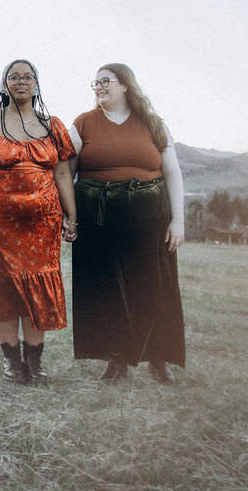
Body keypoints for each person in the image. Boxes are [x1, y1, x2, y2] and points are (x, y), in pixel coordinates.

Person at [0, 59, 78, 384]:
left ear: (37, 84)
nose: (21, 81)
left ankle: (34, 363)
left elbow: (63, 173)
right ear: (3, 84)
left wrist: (72, 216)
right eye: (14, 76)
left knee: (39, 287)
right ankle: (12, 361)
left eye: (28, 76)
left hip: (42, 225)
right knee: (4, 289)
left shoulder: (54, 126)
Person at [67, 63, 185, 384]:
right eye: (96, 82)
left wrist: (178, 220)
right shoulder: (83, 124)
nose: (99, 87)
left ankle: (158, 358)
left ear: (125, 86)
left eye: (106, 81)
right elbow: (66, 171)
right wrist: (69, 215)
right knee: (105, 287)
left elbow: (172, 172)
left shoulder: (153, 124)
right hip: (97, 215)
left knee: (154, 285)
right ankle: (115, 359)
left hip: (150, 214)